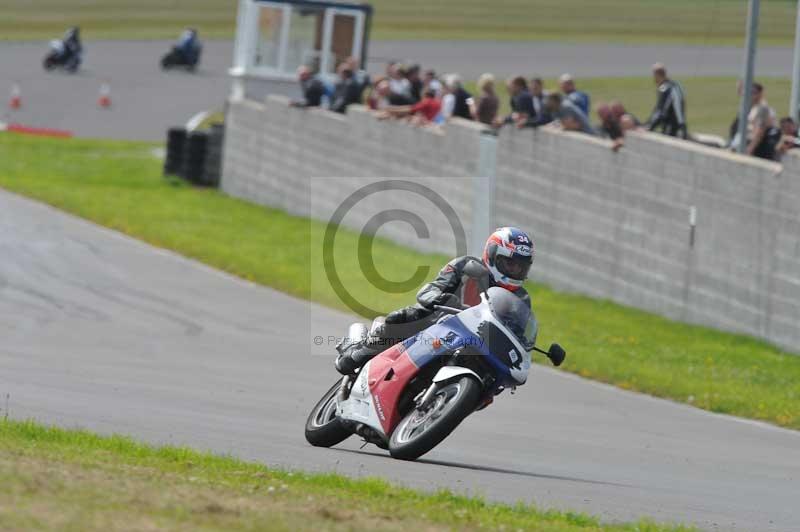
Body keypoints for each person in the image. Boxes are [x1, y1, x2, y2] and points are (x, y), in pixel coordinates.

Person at [335, 227, 535, 375]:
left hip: (478, 344)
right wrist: (439, 299)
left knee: (497, 375)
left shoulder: (521, 299)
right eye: (510, 263)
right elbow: (431, 289)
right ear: (492, 255)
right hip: (440, 321)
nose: (515, 270)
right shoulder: (466, 266)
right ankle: (359, 352)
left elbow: (518, 334)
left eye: (520, 266)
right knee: (404, 317)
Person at [646, 63, 687, 139]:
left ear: (658, 75)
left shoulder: (665, 89)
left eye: (654, 75)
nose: (653, 78)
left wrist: (649, 127)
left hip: (671, 127)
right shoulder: (675, 85)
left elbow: (661, 111)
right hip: (680, 125)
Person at [742, 83, 780, 160]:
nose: (751, 95)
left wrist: (750, 148)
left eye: (754, 93)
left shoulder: (762, 108)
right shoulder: (754, 106)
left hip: (759, 146)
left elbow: (760, 131)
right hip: (753, 143)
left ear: (760, 94)